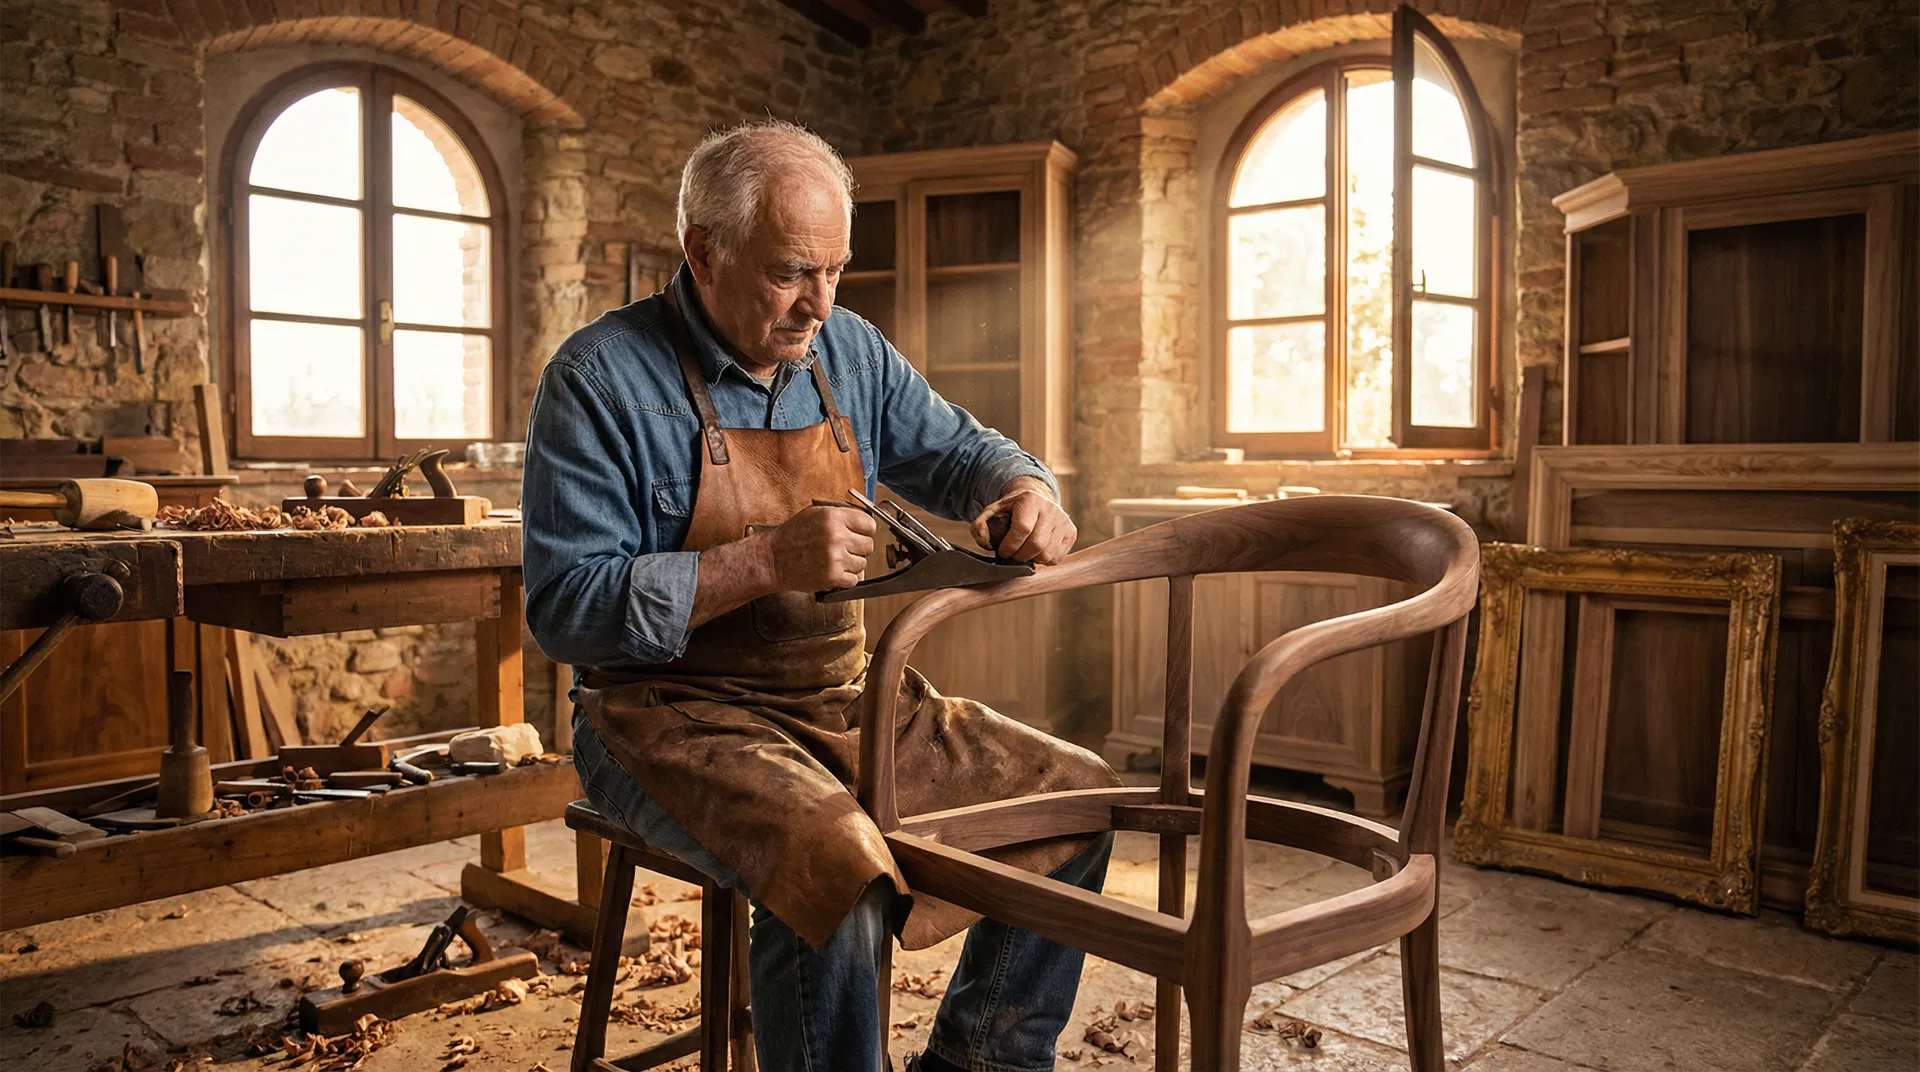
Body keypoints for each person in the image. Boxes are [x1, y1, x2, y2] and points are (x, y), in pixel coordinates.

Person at [521, 119, 1119, 1072]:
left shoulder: (853, 354)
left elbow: (965, 452)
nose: (820, 304)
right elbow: (565, 611)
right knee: (837, 871)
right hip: (662, 715)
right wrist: (761, 563)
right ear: (703, 253)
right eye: (792, 272)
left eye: (836, 270)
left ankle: (976, 1064)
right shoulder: (598, 380)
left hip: (841, 702)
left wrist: (1025, 489)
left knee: (1077, 800)